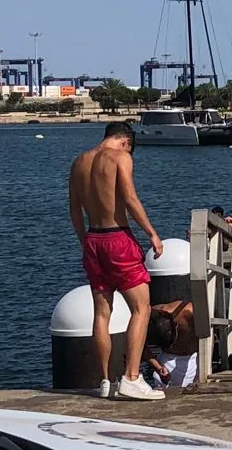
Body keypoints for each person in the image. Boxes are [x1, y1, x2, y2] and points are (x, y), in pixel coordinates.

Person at [68, 120, 164, 401]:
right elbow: (130, 199)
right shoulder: (120, 157)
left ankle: (105, 380)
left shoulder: (79, 162)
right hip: (117, 238)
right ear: (126, 142)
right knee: (141, 308)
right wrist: (152, 234)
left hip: (93, 240)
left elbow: (74, 209)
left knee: (101, 314)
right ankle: (132, 377)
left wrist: (84, 240)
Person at [146, 302, 199, 390]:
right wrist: (158, 367)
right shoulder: (149, 313)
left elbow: (209, 338)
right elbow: (140, 346)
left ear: (176, 325)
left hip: (191, 360)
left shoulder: (191, 313)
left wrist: (206, 369)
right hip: (165, 359)